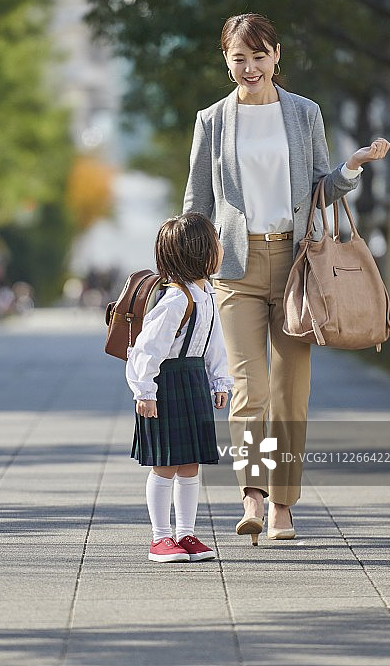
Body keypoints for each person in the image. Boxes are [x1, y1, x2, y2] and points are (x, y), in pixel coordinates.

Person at [183, 12, 390, 544]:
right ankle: (251, 495)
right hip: (236, 268)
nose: (250, 67)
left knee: (289, 392)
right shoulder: (212, 121)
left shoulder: (304, 114)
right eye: (239, 58)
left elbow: (319, 188)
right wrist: (187, 272)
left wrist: (352, 168)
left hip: (297, 267)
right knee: (247, 387)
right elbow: (196, 205)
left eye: (259, 56)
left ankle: (283, 506)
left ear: (277, 55)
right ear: (225, 60)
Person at [126, 213, 234, 561]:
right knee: (165, 464)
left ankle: (186, 534)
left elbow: (215, 343)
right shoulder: (175, 301)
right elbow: (147, 348)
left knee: (190, 464)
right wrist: (144, 391)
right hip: (166, 384)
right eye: (216, 242)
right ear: (200, 252)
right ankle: (160, 538)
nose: (221, 247)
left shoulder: (207, 295)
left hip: (194, 380)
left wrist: (220, 380)